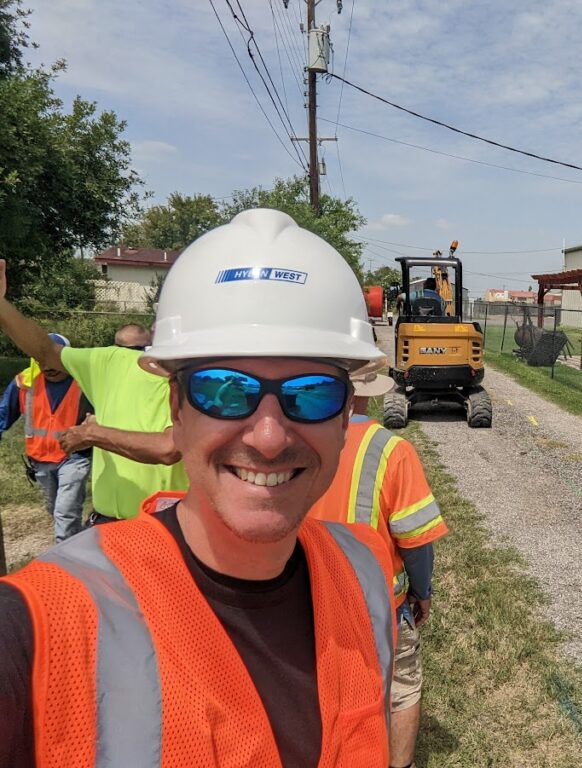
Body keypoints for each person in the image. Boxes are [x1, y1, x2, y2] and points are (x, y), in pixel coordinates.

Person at [0, 209, 397, 766]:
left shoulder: (365, 574)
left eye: (311, 393)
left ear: (345, 417)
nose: (267, 436)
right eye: (224, 391)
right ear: (177, 410)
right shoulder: (48, 619)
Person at [310, 365, 448, 768]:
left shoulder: (298, 438)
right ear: (367, 393)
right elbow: (416, 540)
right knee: (401, 688)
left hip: (312, 595)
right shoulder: (390, 450)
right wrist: (423, 592)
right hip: (380, 605)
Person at [0, 295, 188, 522]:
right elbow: (45, 351)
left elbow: (168, 449)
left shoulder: (204, 378)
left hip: (166, 524)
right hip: (111, 520)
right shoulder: (110, 360)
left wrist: (93, 433)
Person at [0, 333, 93, 542]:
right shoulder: (24, 382)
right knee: (54, 509)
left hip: (74, 458)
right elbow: (4, 413)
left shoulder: (85, 382)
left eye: (53, 359)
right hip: (40, 460)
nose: (48, 365)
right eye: (41, 359)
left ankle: (66, 562)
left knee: (65, 512)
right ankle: (77, 544)